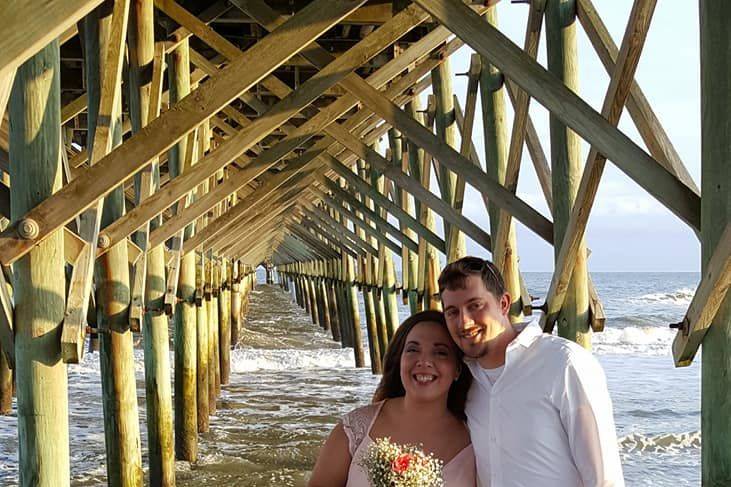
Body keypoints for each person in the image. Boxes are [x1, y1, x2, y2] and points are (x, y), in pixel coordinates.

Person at [439, 256, 625, 487]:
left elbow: (604, 477)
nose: (464, 322)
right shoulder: (462, 379)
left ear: (504, 303)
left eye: (475, 306)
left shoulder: (563, 363)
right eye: (452, 312)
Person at [309, 310, 476, 486]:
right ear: (400, 360)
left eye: (440, 352)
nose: (424, 361)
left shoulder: (475, 442)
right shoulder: (356, 428)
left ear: (458, 369)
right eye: (413, 349)